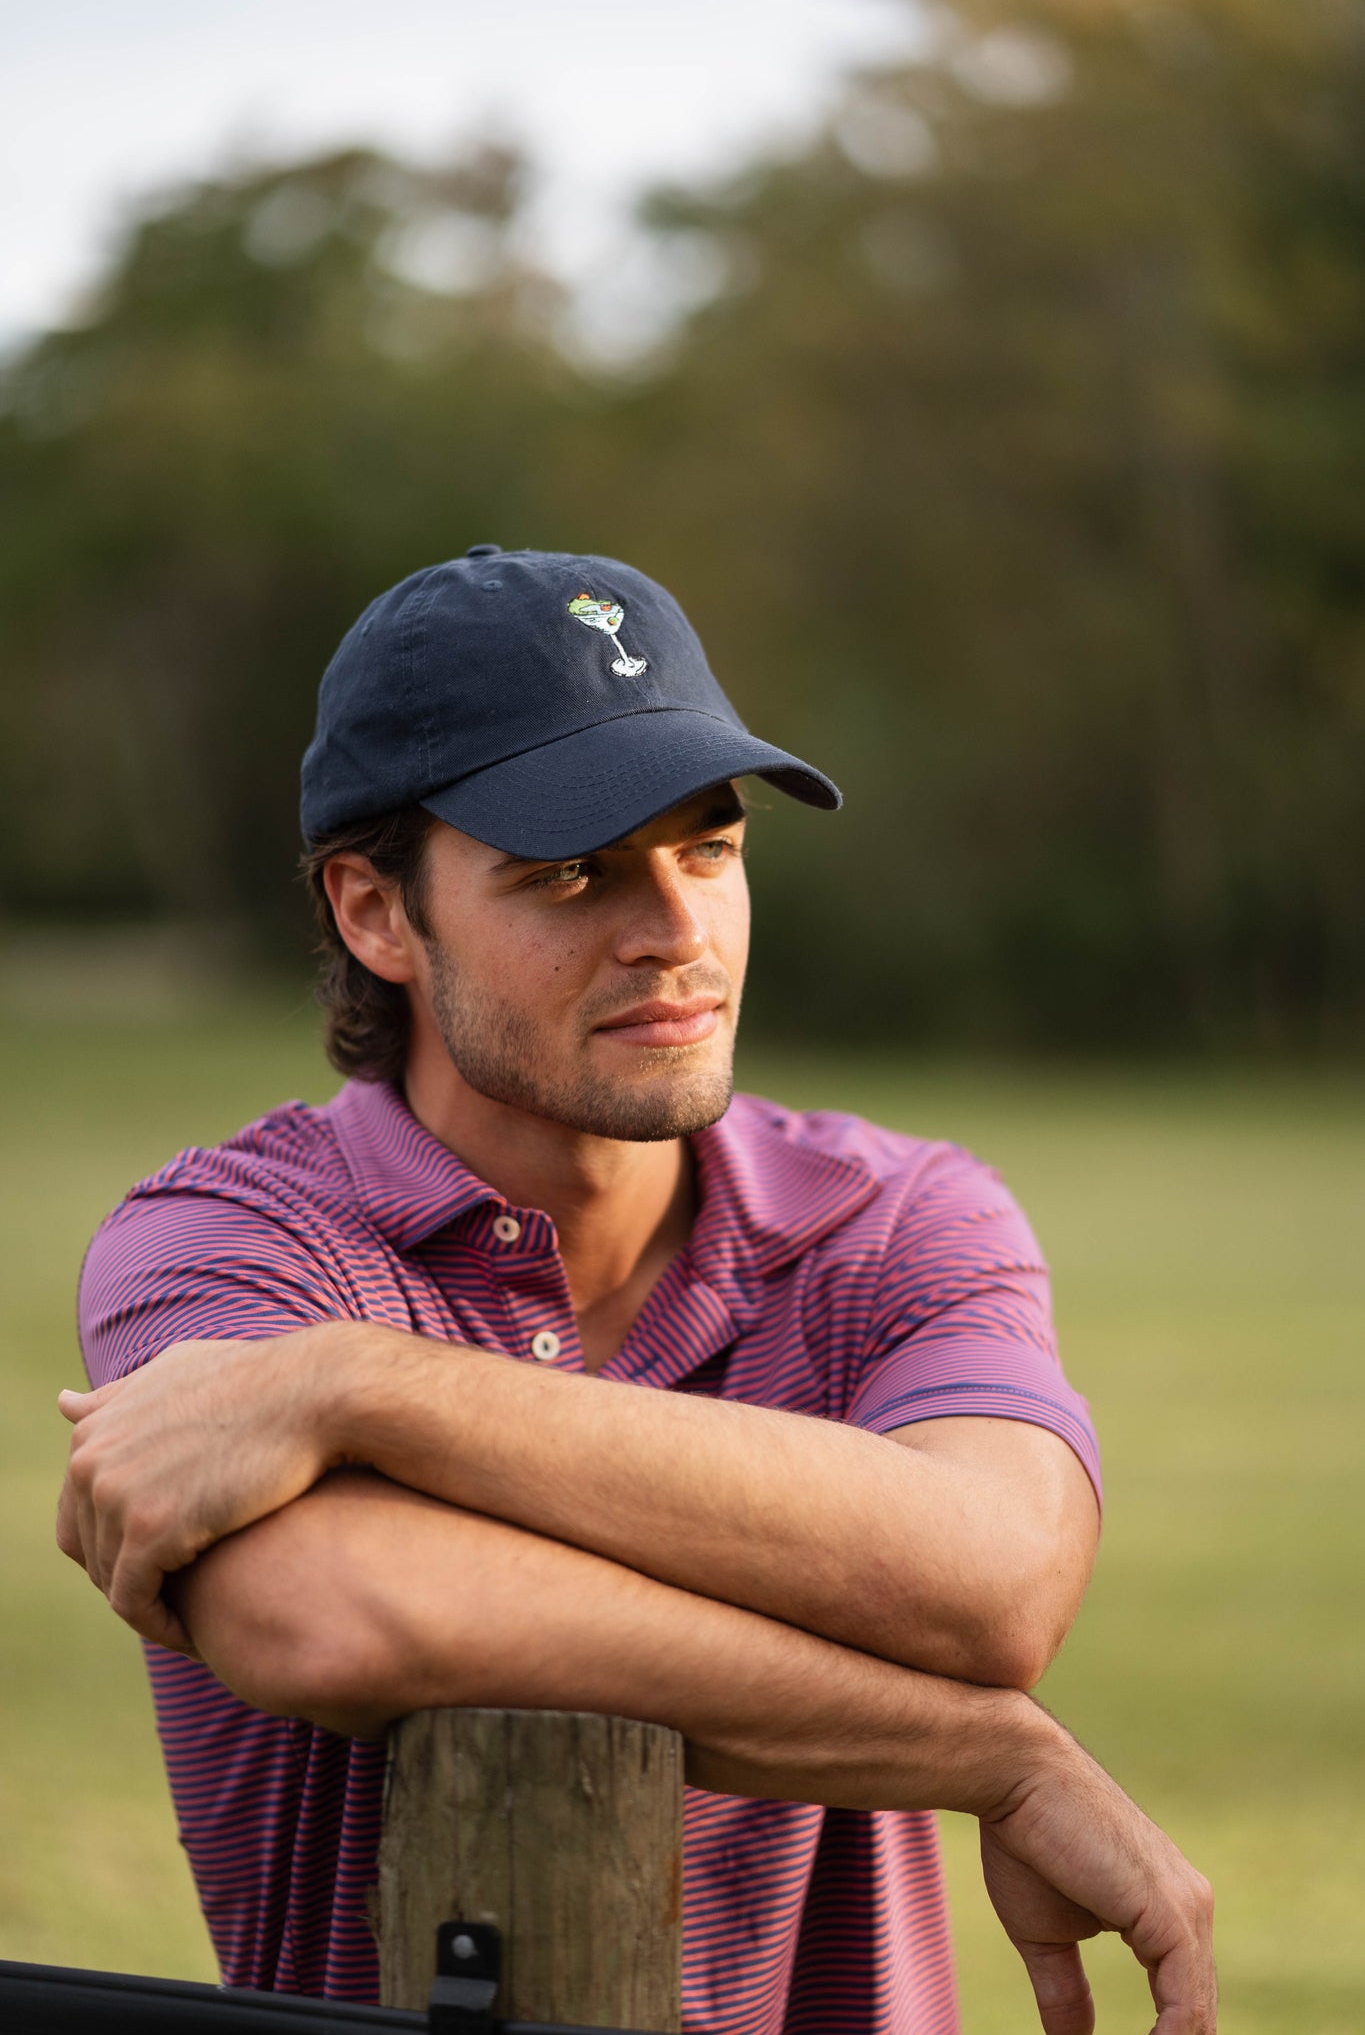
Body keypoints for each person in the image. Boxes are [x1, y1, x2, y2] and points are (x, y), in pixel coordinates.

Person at [56, 547, 1215, 2035]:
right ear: (375, 913)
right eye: (568, 870)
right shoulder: (229, 1240)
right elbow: (337, 1619)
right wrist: (988, 1756)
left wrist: (356, 1390)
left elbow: (989, 1581)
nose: (672, 926)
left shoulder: (896, 1217)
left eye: (708, 849)